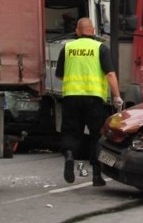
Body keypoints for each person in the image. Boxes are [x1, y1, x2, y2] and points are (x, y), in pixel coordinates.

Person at [55, 17, 123, 187]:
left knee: (71, 132)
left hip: (71, 97)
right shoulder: (101, 48)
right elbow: (110, 74)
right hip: (94, 99)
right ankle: (96, 176)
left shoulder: (68, 48)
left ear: (78, 31)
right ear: (93, 31)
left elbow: (60, 75)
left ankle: (70, 156)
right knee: (96, 136)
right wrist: (116, 97)